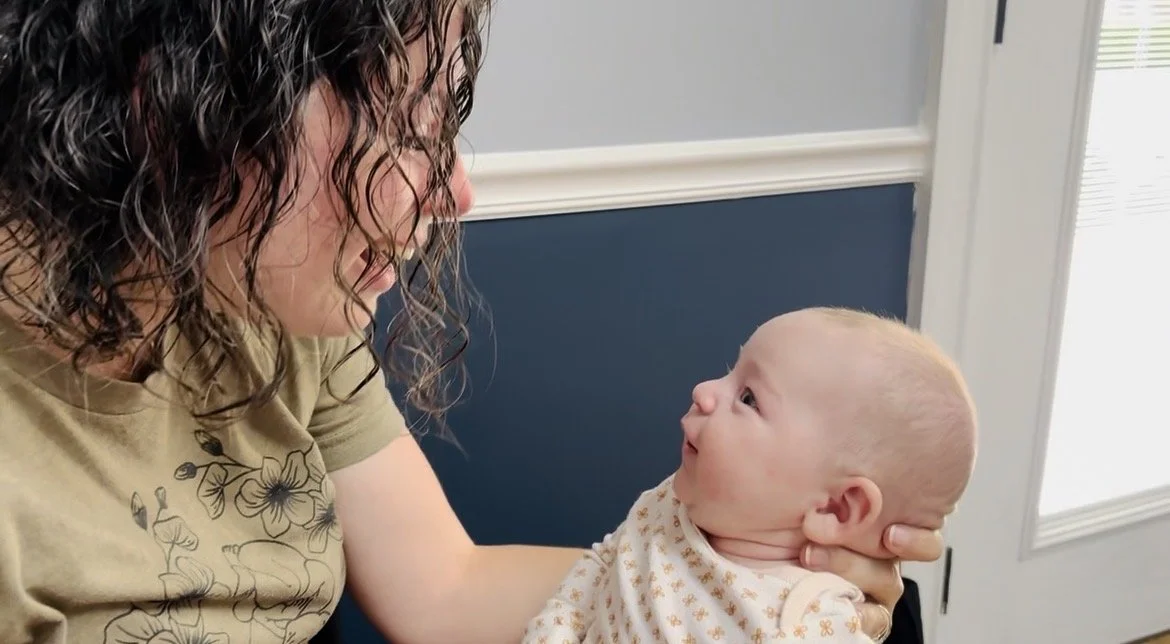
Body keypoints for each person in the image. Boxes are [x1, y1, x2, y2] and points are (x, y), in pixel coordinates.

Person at [0, 1, 946, 642]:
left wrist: (738, 586)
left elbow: (444, 590)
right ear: (178, 99)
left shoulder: (273, 307)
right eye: (411, 121)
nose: (457, 189)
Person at [521, 308, 977, 643]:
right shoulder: (669, 506)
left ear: (836, 507)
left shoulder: (806, 626)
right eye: (728, 372)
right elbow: (600, 571)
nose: (702, 391)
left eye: (749, 398)